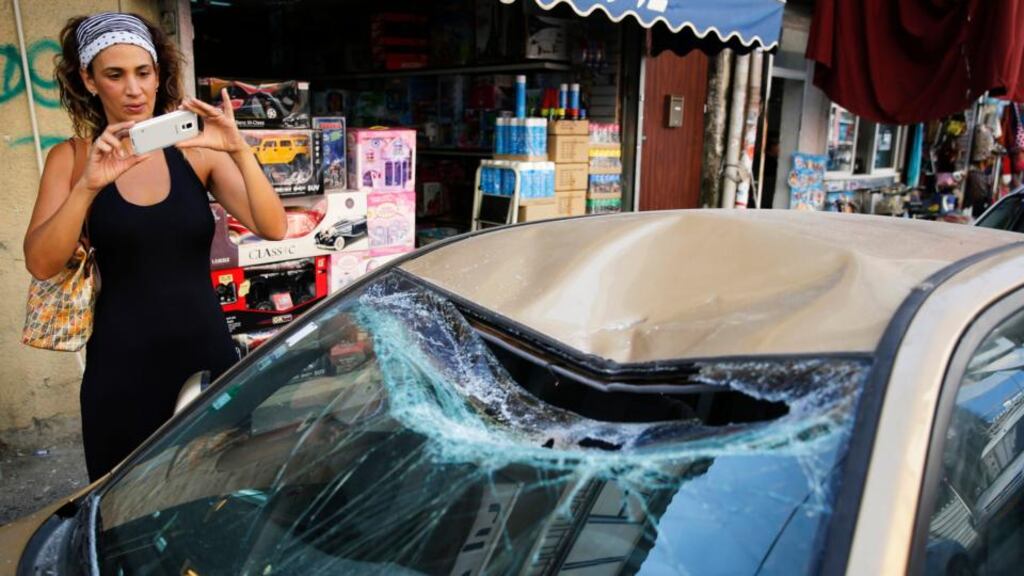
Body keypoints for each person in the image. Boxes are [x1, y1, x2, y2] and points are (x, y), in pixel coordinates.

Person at [22, 12, 287, 481]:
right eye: (114, 75)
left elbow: (274, 226)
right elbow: (42, 263)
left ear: (159, 75)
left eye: (143, 73)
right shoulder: (73, 158)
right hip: (120, 370)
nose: (133, 90)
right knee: (124, 507)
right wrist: (87, 187)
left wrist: (239, 149)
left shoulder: (198, 151)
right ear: (88, 80)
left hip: (205, 358)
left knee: (218, 493)